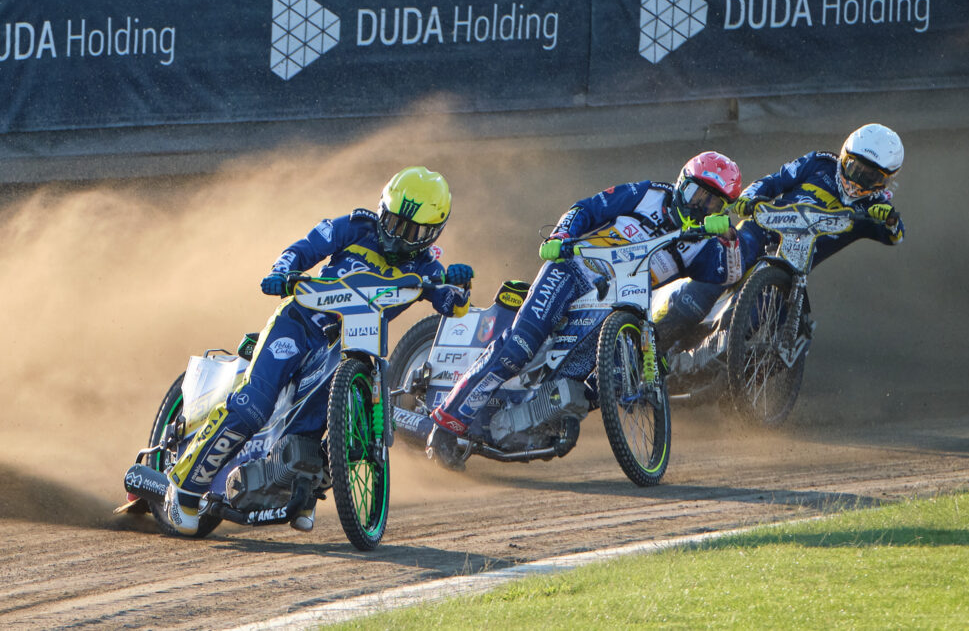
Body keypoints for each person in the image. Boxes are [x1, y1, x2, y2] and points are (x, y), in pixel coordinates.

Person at [163, 166, 474, 535]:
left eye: (411, 231)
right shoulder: (355, 227)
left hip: (347, 346)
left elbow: (453, 305)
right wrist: (281, 272)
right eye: (392, 221)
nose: (396, 235)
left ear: (432, 233)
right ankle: (183, 488)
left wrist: (460, 284)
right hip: (298, 323)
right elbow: (303, 249)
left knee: (320, 417)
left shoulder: (428, 270)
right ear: (382, 209)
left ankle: (302, 483)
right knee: (253, 405)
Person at [426, 151, 759, 470]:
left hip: (618, 304)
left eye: (712, 202)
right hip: (573, 270)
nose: (699, 206)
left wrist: (730, 239)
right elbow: (586, 208)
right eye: (696, 194)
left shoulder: (702, 244)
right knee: (520, 346)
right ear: (681, 183)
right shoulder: (647, 194)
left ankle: (534, 420)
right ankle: (446, 425)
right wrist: (561, 235)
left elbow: (729, 273)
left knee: (605, 379)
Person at [657, 123, 907, 358]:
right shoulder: (819, 164)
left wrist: (889, 220)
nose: (858, 180)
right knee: (721, 270)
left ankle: (713, 363)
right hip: (758, 232)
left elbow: (895, 236)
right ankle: (656, 337)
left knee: (754, 317)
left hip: (791, 267)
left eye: (871, 177)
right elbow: (773, 181)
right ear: (844, 157)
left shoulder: (876, 207)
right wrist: (748, 199)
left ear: (886, 180)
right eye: (854, 168)